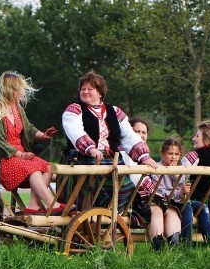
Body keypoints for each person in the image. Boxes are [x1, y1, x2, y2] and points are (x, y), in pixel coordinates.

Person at [61, 71, 158, 212]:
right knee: (93, 190)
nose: (85, 92)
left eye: (90, 89)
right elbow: (75, 131)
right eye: (83, 89)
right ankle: (94, 211)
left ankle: (112, 213)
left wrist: (144, 157)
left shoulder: (115, 111)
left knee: (126, 187)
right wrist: (90, 148)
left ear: (100, 92)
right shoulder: (74, 110)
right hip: (83, 159)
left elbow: (129, 136)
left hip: (112, 160)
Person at [0, 71, 63, 215]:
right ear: (10, 90)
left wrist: (43, 135)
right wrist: (21, 154)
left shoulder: (16, 107)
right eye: (20, 90)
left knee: (48, 167)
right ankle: (52, 204)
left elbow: (29, 129)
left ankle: (33, 206)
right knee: (33, 168)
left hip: (19, 156)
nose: (22, 94)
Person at [175, 120, 210, 246]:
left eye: (197, 136)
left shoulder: (194, 156)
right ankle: (209, 245)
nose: (193, 138)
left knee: (185, 203)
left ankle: (186, 244)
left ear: (207, 138)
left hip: (201, 202)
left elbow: (178, 175)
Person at [145, 137, 184, 250]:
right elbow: (159, 191)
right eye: (170, 153)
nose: (173, 157)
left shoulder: (181, 170)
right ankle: (158, 248)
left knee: (172, 214)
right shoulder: (157, 168)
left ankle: (175, 249)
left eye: (176, 154)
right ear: (163, 153)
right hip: (157, 201)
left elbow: (182, 190)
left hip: (172, 204)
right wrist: (178, 193)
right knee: (159, 210)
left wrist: (176, 177)